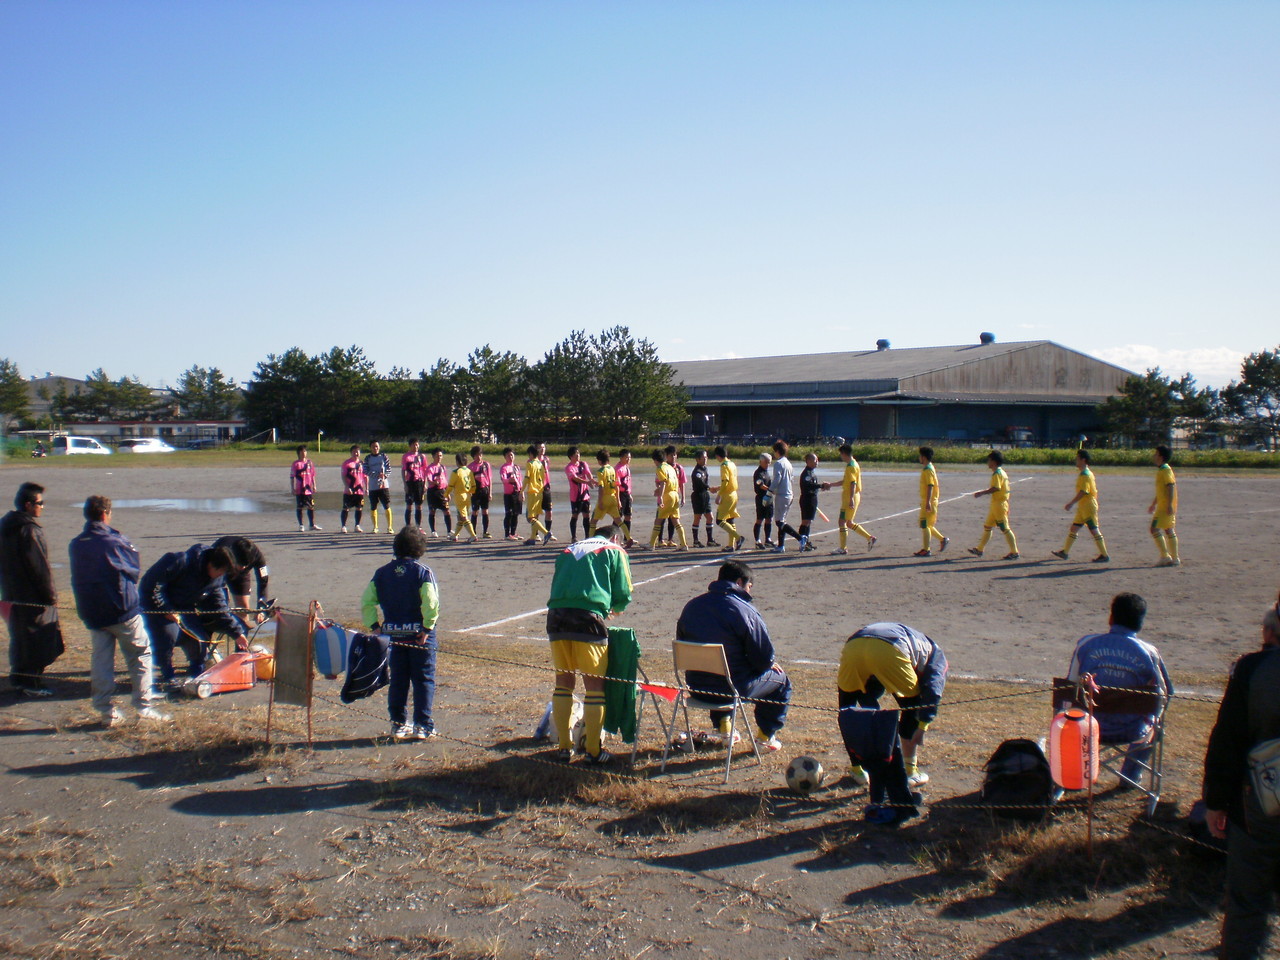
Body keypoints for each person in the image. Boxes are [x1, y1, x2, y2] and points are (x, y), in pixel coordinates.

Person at [1204, 606, 1280, 959]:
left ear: (1270, 632)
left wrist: (1217, 802)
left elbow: (1227, 741)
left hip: (1260, 800)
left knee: (1248, 901)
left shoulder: (1253, 668)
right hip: (1259, 799)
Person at [68, 496, 168, 724]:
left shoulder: (76, 543)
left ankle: (105, 711)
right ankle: (143, 708)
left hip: (91, 610)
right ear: (105, 514)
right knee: (140, 655)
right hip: (121, 609)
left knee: (102, 660)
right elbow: (134, 569)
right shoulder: (114, 541)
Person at [838, 622, 948, 825]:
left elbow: (873, 685)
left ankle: (858, 769)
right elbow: (932, 692)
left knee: (848, 712)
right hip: (889, 649)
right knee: (911, 708)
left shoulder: (917, 642)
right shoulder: (937, 658)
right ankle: (910, 770)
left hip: (854, 645)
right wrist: (923, 725)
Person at [675, 560, 791, 749]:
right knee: (782, 682)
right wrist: (769, 664)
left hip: (697, 686)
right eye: (749, 587)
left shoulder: (692, 606)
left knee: (718, 670)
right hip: (732, 688)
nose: (750, 592)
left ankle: (725, 727)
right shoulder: (745, 611)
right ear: (740, 582)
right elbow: (762, 658)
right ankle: (765, 737)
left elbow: (682, 642)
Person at [545, 524, 633, 763]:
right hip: (588, 618)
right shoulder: (614, 549)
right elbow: (624, 591)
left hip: (556, 616)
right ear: (615, 537)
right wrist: (615, 609)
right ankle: (593, 749)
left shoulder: (569, 549)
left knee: (563, 681)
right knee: (595, 686)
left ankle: (564, 746)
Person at [1067, 592, 1171, 786]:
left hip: (1086, 728)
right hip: (1132, 730)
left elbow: (1069, 686)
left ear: (1111, 618)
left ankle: (1075, 774)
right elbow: (1165, 693)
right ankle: (1130, 776)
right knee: (1156, 723)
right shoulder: (1149, 652)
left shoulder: (1086, 644)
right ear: (1141, 622)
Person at [361, 526, 441, 740]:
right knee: (424, 678)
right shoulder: (423, 572)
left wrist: (375, 626)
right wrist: (427, 627)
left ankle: (398, 724)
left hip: (393, 635)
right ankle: (423, 725)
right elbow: (431, 602)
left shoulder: (382, 573)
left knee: (398, 679)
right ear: (419, 549)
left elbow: (367, 601)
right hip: (419, 635)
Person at [140, 543, 245, 690]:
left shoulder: (216, 579)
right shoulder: (178, 561)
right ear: (211, 565)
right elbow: (150, 587)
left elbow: (219, 606)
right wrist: (166, 609)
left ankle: (197, 672)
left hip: (185, 609)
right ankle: (167, 674)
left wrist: (237, 632)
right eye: (221, 572)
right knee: (168, 635)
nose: (222, 576)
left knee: (199, 638)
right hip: (156, 609)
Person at [1, 482, 63, 695]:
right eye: (39, 503)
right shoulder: (28, 530)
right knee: (39, 640)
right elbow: (38, 568)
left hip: (11, 594)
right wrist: (50, 596)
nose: (42, 507)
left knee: (20, 638)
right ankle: (30, 683)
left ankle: (20, 678)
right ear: (28, 505)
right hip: (31, 598)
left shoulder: (6, 525)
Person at [1052, 448, 1109, 563]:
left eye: (1077, 458)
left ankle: (1105, 555)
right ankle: (1065, 552)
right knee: (1074, 528)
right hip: (1083, 507)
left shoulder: (1085, 475)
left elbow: (1084, 491)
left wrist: (1071, 503)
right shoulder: (1084, 473)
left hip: (1088, 506)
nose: (1076, 461)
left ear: (1083, 460)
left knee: (1094, 530)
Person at [967, 450, 1019, 560]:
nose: (988, 462)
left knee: (1005, 528)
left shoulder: (997, 474)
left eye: (989, 460)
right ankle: (979, 549)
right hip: (997, 504)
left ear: (994, 461)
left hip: (999, 505)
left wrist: (982, 493)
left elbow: (996, 488)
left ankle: (1014, 552)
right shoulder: (1002, 472)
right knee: (987, 527)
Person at [210, 535, 270, 627]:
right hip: (221, 569)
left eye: (246, 565)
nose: (243, 567)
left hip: (242, 576)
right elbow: (213, 581)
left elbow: (263, 582)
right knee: (219, 606)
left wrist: (261, 608)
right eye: (240, 564)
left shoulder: (257, 556)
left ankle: (241, 635)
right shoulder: (222, 552)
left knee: (243, 609)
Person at [831, 444, 875, 554]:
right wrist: (831, 484)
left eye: (841, 454)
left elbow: (852, 483)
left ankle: (843, 548)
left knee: (842, 522)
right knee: (849, 523)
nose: (840, 457)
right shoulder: (854, 464)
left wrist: (850, 499)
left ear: (844, 454)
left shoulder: (851, 466)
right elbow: (846, 481)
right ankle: (870, 538)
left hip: (850, 497)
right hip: (853, 496)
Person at [649, 449, 688, 550]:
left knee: (658, 520)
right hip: (675, 495)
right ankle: (683, 544)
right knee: (676, 520)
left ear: (655, 460)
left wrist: (660, 496)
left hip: (668, 496)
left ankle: (651, 545)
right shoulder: (670, 467)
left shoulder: (660, 468)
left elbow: (663, 482)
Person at [1149, 444, 1180, 567]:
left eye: (1156, 454)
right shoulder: (1162, 470)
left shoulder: (1165, 470)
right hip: (1162, 505)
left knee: (1154, 529)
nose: (1154, 456)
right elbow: (1162, 490)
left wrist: (1169, 504)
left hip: (1165, 507)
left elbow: (1170, 486)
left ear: (1161, 457)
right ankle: (1174, 558)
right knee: (1168, 529)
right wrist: (1153, 504)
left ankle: (1165, 556)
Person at [588, 450, 629, 542]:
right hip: (612, 497)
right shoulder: (612, 469)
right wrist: (618, 500)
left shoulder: (601, 471)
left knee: (593, 521)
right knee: (619, 520)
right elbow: (616, 485)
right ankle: (629, 537)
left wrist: (600, 501)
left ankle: (590, 540)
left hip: (605, 498)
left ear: (599, 461)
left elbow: (601, 488)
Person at [915, 447, 948, 557]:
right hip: (928, 500)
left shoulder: (928, 469)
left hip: (929, 500)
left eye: (920, 456)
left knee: (925, 525)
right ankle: (942, 539)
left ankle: (926, 549)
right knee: (926, 525)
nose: (919, 458)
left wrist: (928, 502)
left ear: (923, 457)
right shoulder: (928, 468)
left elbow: (930, 485)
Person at [710, 445, 744, 550]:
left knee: (720, 520)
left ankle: (738, 538)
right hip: (734, 494)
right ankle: (731, 545)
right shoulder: (732, 464)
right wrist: (718, 487)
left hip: (727, 495)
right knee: (730, 520)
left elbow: (726, 481)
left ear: (717, 456)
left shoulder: (724, 465)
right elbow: (730, 482)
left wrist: (719, 494)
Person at [770, 441, 802, 553]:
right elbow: (792, 479)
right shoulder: (788, 463)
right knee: (782, 520)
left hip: (782, 495)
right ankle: (781, 545)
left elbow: (777, 479)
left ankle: (800, 538)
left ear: (777, 451)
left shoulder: (779, 463)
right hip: (789, 494)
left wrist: (770, 490)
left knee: (779, 522)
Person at [564, 446, 596, 543]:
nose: (578, 456)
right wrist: (587, 482)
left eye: (578, 454)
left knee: (586, 515)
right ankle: (574, 537)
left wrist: (592, 480)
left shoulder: (583, 464)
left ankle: (587, 536)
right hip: (575, 496)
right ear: (570, 457)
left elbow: (588, 473)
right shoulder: (569, 468)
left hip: (585, 495)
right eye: (575, 455)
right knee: (575, 515)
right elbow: (575, 479)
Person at [522, 445, 552, 545]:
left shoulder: (530, 464)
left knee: (531, 517)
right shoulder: (540, 464)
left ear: (530, 454)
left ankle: (546, 532)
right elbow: (543, 478)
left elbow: (527, 478)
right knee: (534, 515)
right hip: (540, 492)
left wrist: (521, 490)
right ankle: (532, 538)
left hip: (532, 492)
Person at [363, 439, 395, 534]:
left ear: (379, 447)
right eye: (373, 446)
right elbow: (365, 470)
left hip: (384, 486)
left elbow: (389, 468)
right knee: (373, 506)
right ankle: (375, 527)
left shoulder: (384, 456)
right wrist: (376, 474)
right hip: (373, 486)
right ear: (370, 448)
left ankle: (389, 527)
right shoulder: (368, 458)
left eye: (377, 446)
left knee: (386, 505)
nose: (375, 448)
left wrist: (384, 476)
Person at [688, 450, 718, 547]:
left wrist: (709, 489)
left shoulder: (705, 469)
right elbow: (700, 483)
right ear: (697, 459)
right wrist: (710, 488)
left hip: (705, 495)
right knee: (698, 517)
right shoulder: (697, 471)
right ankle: (696, 541)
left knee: (710, 517)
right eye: (703, 458)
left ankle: (710, 540)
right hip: (698, 496)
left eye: (706, 457)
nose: (705, 459)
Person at [447, 453, 478, 543]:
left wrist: (446, 494)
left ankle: (473, 535)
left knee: (464, 517)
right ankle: (455, 535)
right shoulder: (469, 471)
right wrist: (470, 492)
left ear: (457, 461)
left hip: (459, 496)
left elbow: (450, 485)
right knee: (460, 517)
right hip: (468, 496)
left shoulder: (456, 472)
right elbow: (473, 485)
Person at [794, 452, 822, 552]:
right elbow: (808, 485)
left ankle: (806, 541)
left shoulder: (812, 472)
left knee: (809, 522)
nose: (817, 462)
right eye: (815, 460)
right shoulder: (806, 473)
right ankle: (802, 540)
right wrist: (821, 486)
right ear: (809, 461)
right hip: (807, 499)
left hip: (812, 498)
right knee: (805, 522)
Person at [291, 445, 321, 532]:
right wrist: (292, 488)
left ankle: (312, 524)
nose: (304, 453)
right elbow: (292, 477)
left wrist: (314, 485)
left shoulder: (309, 463)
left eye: (305, 451)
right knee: (300, 507)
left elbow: (313, 475)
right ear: (299, 453)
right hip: (300, 488)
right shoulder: (296, 464)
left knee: (311, 507)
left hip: (308, 489)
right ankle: (301, 525)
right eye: (302, 452)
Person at [424, 448, 452, 539]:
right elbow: (430, 480)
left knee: (447, 511)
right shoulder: (430, 468)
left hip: (442, 492)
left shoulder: (443, 467)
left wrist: (448, 493)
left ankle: (449, 531)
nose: (439, 457)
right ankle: (433, 531)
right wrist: (434, 482)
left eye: (440, 455)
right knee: (432, 511)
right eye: (437, 456)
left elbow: (445, 481)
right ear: (433, 456)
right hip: (433, 492)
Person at [400, 438, 427, 529]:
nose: (416, 446)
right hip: (410, 482)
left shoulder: (422, 456)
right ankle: (408, 526)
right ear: (410, 446)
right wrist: (405, 484)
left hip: (420, 482)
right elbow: (403, 471)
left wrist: (425, 483)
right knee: (409, 505)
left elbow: (425, 470)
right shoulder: (406, 457)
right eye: (414, 445)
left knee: (419, 505)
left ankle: (418, 526)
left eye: (417, 444)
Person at [468, 445, 493, 539]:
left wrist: (490, 492)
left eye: (480, 455)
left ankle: (485, 531)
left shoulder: (486, 465)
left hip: (485, 490)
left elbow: (489, 479)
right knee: (475, 512)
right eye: (477, 455)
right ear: (473, 456)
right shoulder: (470, 467)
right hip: (475, 491)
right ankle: (473, 532)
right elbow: (468, 481)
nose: (479, 457)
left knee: (485, 511)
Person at [663, 446, 687, 546]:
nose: (673, 457)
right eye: (671, 455)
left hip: (674, 496)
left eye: (675, 455)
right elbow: (660, 482)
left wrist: (683, 497)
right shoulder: (663, 467)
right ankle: (660, 540)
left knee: (672, 519)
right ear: (666, 456)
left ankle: (670, 539)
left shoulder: (679, 468)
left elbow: (682, 483)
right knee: (661, 518)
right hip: (665, 496)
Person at [340, 444, 366, 534]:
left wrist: (367, 488)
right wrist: (347, 487)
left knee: (359, 508)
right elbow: (343, 476)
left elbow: (365, 477)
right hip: (349, 490)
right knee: (346, 508)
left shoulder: (362, 464)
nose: (356, 453)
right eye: (354, 451)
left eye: (357, 451)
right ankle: (343, 526)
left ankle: (357, 525)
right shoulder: (347, 463)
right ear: (351, 453)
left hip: (360, 490)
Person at [498, 447, 523, 540]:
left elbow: (520, 480)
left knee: (516, 514)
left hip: (517, 492)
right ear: (505, 457)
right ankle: (507, 534)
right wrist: (509, 480)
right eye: (508, 455)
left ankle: (513, 532)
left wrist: (522, 492)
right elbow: (503, 479)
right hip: (509, 494)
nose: (510, 457)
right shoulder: (504, 468)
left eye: (512, 455)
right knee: (509, 514)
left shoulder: (516, 467)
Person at [752, 452, 774, 549]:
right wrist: (770, 489)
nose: (768, 464)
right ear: (761, 461)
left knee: (769, 519)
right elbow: (761, 485)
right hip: (761, 498)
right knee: (759, 519)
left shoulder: (767, 472)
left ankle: (768, 539)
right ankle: (757, 541)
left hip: (768, 497)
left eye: (769, 462)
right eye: (766, 462)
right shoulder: (758, 473)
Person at [537, 442, 556, 542]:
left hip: (546, 488)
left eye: (543, 447)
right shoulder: (533, 460)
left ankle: (547, 532)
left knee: (549, 511)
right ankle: (535, 534)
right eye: (540, 447)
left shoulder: (546, 459)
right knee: (536, 512)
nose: (542, 449)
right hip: (537, 489)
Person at [616, 448, 635, 548]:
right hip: (620, 494)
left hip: (627, 494)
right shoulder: (618, 469)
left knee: (628, 516)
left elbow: (628, 482)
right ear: (621, 457)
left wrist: (630, 494)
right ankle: (614, 537)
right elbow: (617, 485)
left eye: (629, 457)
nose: (628, 459)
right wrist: (618, 499)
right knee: (618, 517)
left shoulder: (627, 467)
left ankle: (627, 538)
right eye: (626, 457)